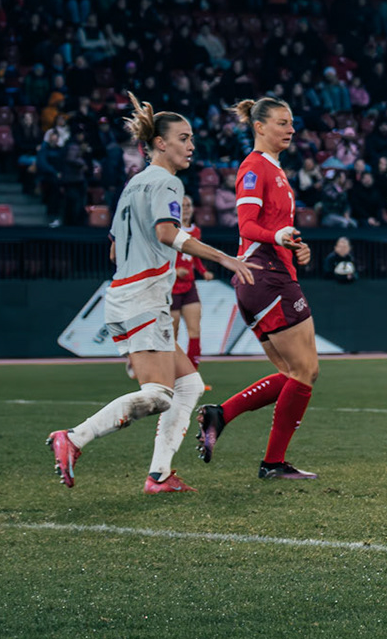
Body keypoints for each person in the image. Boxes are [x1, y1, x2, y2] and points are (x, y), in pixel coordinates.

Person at [48, 94, 255, 491]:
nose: (191, 144)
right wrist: (224, 258)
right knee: (159, 395)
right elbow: (167, 232)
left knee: (189, 385)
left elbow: (113, 249)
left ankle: (159, 475)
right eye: (183, 137)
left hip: (126, 294)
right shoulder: (166, 182)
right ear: (160, 143)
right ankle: (73, 438)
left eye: (191, 137)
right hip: (143, 299)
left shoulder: (133, 185)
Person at [194, 97, 322, 480]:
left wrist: (295, 245)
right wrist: (277, 236)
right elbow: (247, 226)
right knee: (306, 370)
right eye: (282, 122)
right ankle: (272, 463)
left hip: (263, 278)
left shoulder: (276, 171)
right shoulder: (254, 167)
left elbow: (272, 230)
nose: (291, 129)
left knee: (291, 373)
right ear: (259, 126)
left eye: (292, 122)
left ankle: (222, 414)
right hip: (266, 278)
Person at [169, 198, 210, 383]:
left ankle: (192, 376)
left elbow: (196, 255)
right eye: (182, 206)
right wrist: (174, 271)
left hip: (189, 286)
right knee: (173, 333)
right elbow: (161, 257)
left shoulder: (196, 231)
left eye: (188, 206)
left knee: (195, 330)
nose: (186, 209)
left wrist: (203, 271)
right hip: (172, 288)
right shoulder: (169, 231)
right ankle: (171, 374)